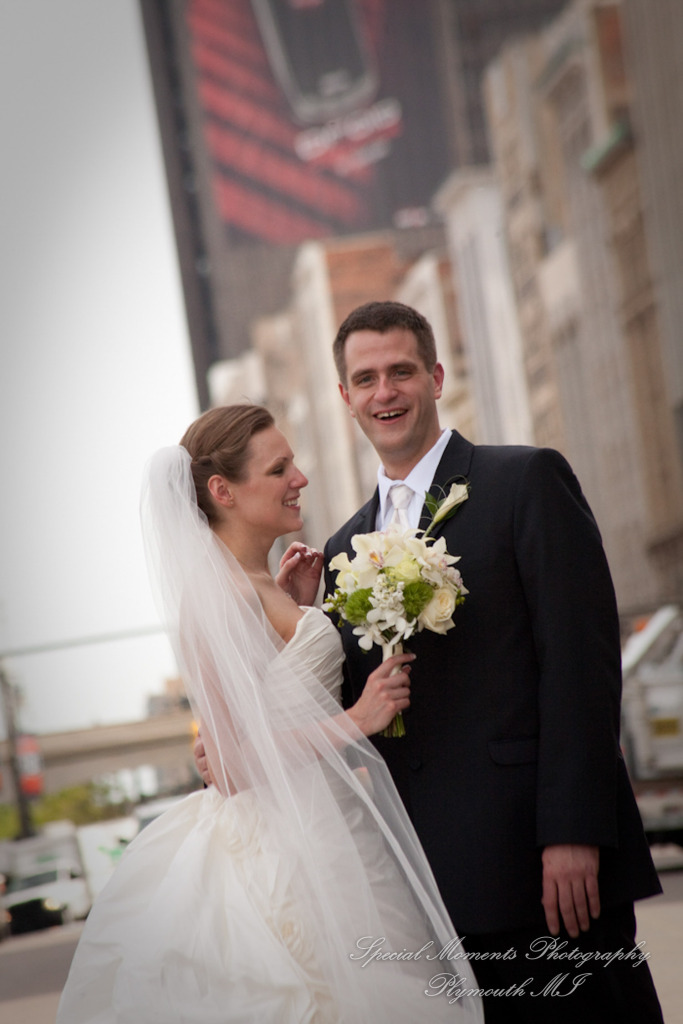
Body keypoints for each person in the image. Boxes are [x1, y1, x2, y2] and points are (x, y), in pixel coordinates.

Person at [57, 404, 482, 1024]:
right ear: (223, 491)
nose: (300, 478)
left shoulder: (258, 585)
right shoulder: (212, 596)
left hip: (332, 831)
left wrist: (293, 617)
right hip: (285, 857)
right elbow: (229, 766)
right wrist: (357, 719)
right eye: (279, 468)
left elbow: (267, 701)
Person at [319, 300, 664, 1023]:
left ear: (436, 376)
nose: (385, 391)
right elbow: (359, 717)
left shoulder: (525, 481)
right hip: (426, 892)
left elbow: (581, 665)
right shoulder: (340, 551)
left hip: (543, 865)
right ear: (343, 395)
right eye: (366, 377)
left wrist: (572, 831)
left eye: (401, 371)